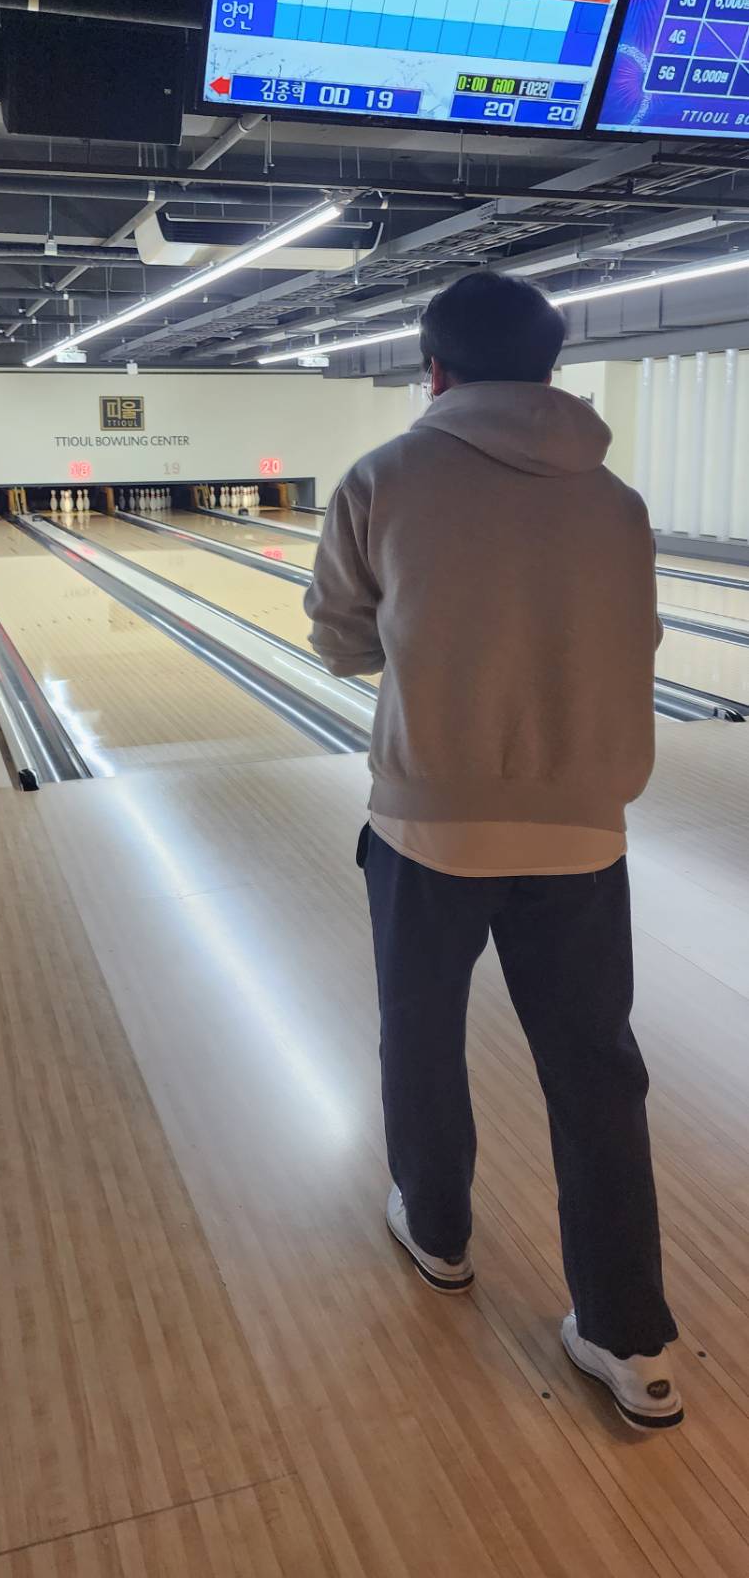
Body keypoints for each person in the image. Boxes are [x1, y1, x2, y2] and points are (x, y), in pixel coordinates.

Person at [305, 270, 682, 1432]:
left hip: (427, 825)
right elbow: (636, 637)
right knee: (597, 1075)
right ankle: (630, 1339)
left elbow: (340, 643)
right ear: (551, 370)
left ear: (434, 369)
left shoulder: (381, 477)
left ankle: (438, 1230)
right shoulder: (615, 501)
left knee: (419, 1035)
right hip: (583, 830)